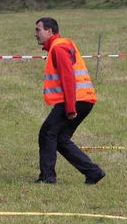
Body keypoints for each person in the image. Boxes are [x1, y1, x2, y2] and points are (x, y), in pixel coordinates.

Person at [34, 17, 105, 184]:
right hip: (84, 99)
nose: (35, 34)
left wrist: (71, 108)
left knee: (47, 133)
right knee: (60, 138)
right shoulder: (62, 45)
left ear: (50, 31)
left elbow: (68, 78)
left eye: (38, 30)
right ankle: (93, 172)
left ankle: (47, 177)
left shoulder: (58, 48)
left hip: (75, 100)